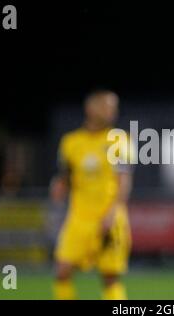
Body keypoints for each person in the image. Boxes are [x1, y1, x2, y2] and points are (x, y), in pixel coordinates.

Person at [50, 90, 134, 300]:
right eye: (107, 106)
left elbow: (124, 181)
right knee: (62, 271)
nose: (112, 111)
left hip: (110, 217)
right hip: (79, 219)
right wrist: (59, 185)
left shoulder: (119, 139)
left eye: (114, 107)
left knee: (109, 277)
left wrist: (113, 212)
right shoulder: (70, 142)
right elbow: (65, 177)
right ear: (90, 109)